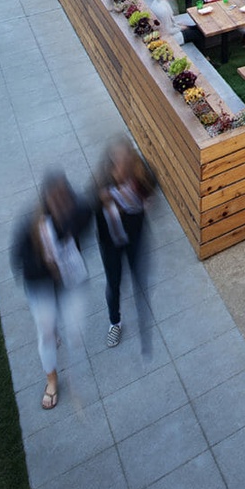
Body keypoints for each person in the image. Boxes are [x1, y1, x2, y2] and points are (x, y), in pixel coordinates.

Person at [12, 171, 92, 410]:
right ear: (46, 200)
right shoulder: (30, 226)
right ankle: (52, 381)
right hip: (40, 282)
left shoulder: (79, 211)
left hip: (70, 277)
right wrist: (47, 265)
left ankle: (72, 372)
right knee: (46, 331)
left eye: (64, 199)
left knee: (75, 331)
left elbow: (87, 222)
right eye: (55, 200)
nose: (61, 205)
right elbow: (19, 262)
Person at [93, 137, 156, 353]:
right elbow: (87, 212)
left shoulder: (140, 177)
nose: (121, 165)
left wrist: (144, 202)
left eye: (125, 159)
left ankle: (142, 317)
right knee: (114, 283)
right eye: (117, 160)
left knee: (139, 278)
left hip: (135, 238)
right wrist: (104, 204)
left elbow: (152, 187)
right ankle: (115, 322)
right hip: (111, 242)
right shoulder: (101, 186)